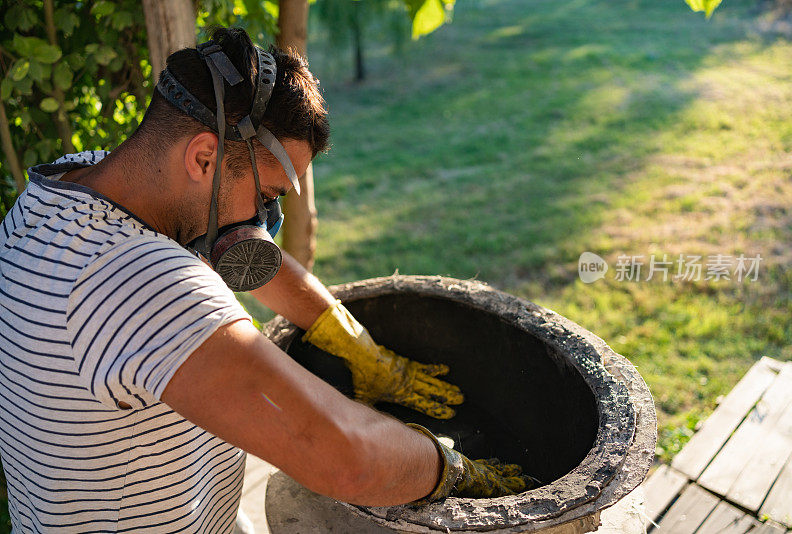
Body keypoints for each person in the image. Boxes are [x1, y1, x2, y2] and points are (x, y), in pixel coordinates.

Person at [0, 27, 535, 533]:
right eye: (269, 195)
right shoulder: (138, 284)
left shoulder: (72, 189)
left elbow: (245, 258)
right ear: (204, 156)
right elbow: (344, 457)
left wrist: (354, 344)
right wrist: (453, 469)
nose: (267, 221)